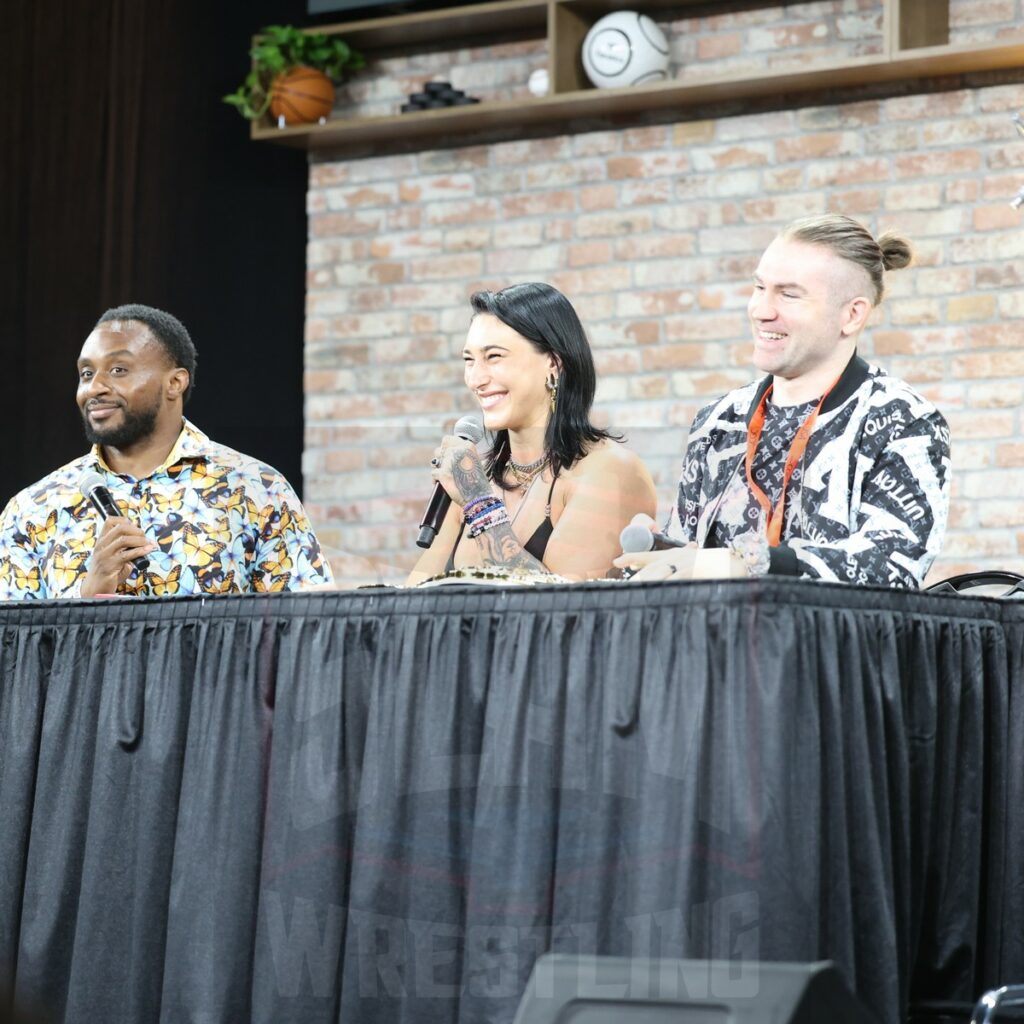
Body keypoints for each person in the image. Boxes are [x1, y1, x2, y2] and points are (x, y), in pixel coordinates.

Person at [616, 214, 951, 589]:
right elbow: (696, 559)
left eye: (788, 294)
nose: (761, 310)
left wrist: (749, 564)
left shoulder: (903, 419)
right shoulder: (718, 421)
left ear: (852, 314)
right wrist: (663, 554)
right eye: (760, 287)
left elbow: (892, 565)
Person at [0, 304, 332, 599]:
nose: (94, 387)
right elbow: (13, 654)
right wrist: (87, 598)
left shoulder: (256, 489)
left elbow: (305, 636)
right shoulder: (32, 510)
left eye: (118, 370)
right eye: (87, 373)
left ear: (175, 383)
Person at [407, 282, 656, 585]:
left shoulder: (612, 471)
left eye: (494, 357)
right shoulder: (475, 478)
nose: (476, 379)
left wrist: (479, 504)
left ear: (553, 362)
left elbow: (560, 612)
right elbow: (414, 599)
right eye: (469, 360)